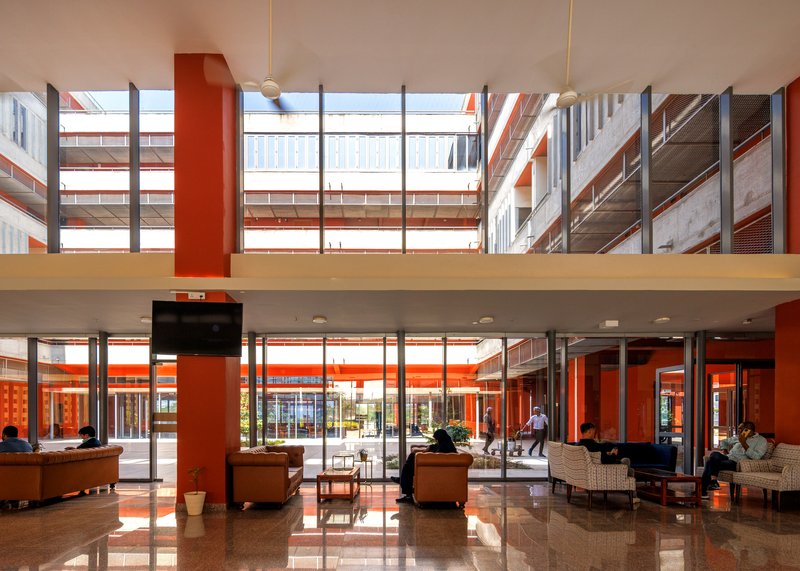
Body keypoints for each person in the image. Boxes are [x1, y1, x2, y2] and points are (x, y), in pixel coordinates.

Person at [701, 421, 767, 498]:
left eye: (741, 429)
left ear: (749, 430)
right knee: (714, 455)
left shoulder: (761, 441)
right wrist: (725, 450)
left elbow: (756, 457)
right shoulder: (739, 437)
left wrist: (744, 443)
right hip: (728, 457)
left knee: (709, 462)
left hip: (738, 463)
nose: (739, 431)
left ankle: (703, 491)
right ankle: (713, 482)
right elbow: (724, 441)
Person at [393, 428, 457, 503]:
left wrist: (427, 451)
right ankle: (403, 483)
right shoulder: (447, 445)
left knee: (408, 467)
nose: (436, 441)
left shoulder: (444, 448)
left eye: (436, 439)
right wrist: (430, 447)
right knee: (410, 463)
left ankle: (403, 484)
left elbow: (437, 455)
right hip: (434, 469)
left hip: (432, 470)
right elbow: (436, 447)